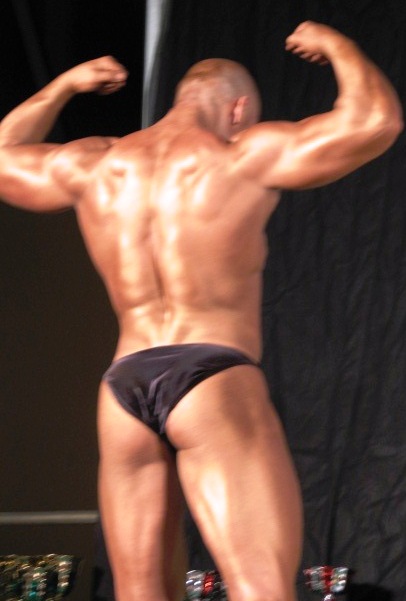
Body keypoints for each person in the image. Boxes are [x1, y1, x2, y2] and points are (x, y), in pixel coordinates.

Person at [0, 20, 402, 601]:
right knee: (262, 588)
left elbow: (3, 156)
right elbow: (375, 121)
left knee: (138, 594)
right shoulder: (241, 155)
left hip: (123, 386)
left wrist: (63, 86)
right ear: (238, 110)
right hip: (209, 376)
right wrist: (339, 45)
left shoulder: (95, 164)